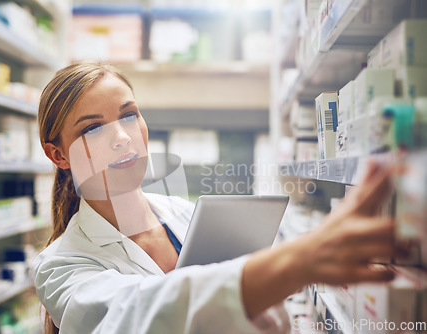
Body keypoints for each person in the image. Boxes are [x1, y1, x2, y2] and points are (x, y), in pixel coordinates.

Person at [33, 61, 405, 334]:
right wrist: (298, 262)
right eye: (94, 128)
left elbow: (271, 321)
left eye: (129, 115)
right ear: (59, 155)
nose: (123, 137)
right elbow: (128, 315)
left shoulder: (190, 216)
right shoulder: (60, 264)